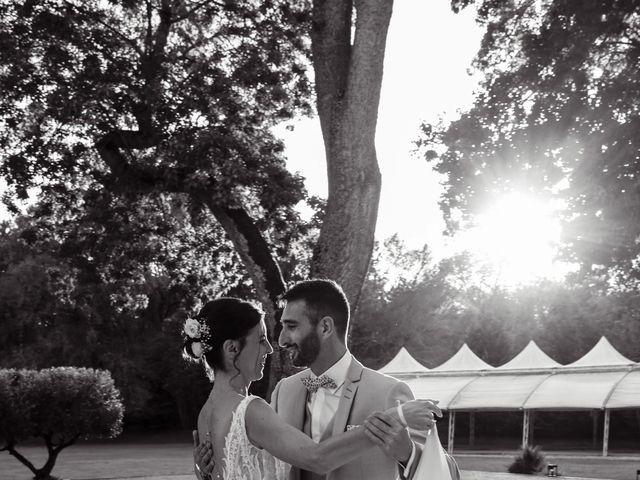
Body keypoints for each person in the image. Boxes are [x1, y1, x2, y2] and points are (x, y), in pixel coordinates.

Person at [185, 296, 439, 480]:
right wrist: (397, 417)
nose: (275, 345)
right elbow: (317, 457)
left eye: (291, 326)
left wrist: (406, 453)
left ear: (325, 327)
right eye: (261, 340)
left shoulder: (206, 413)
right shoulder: (267, 401)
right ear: (232, 349)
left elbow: (439, 471)